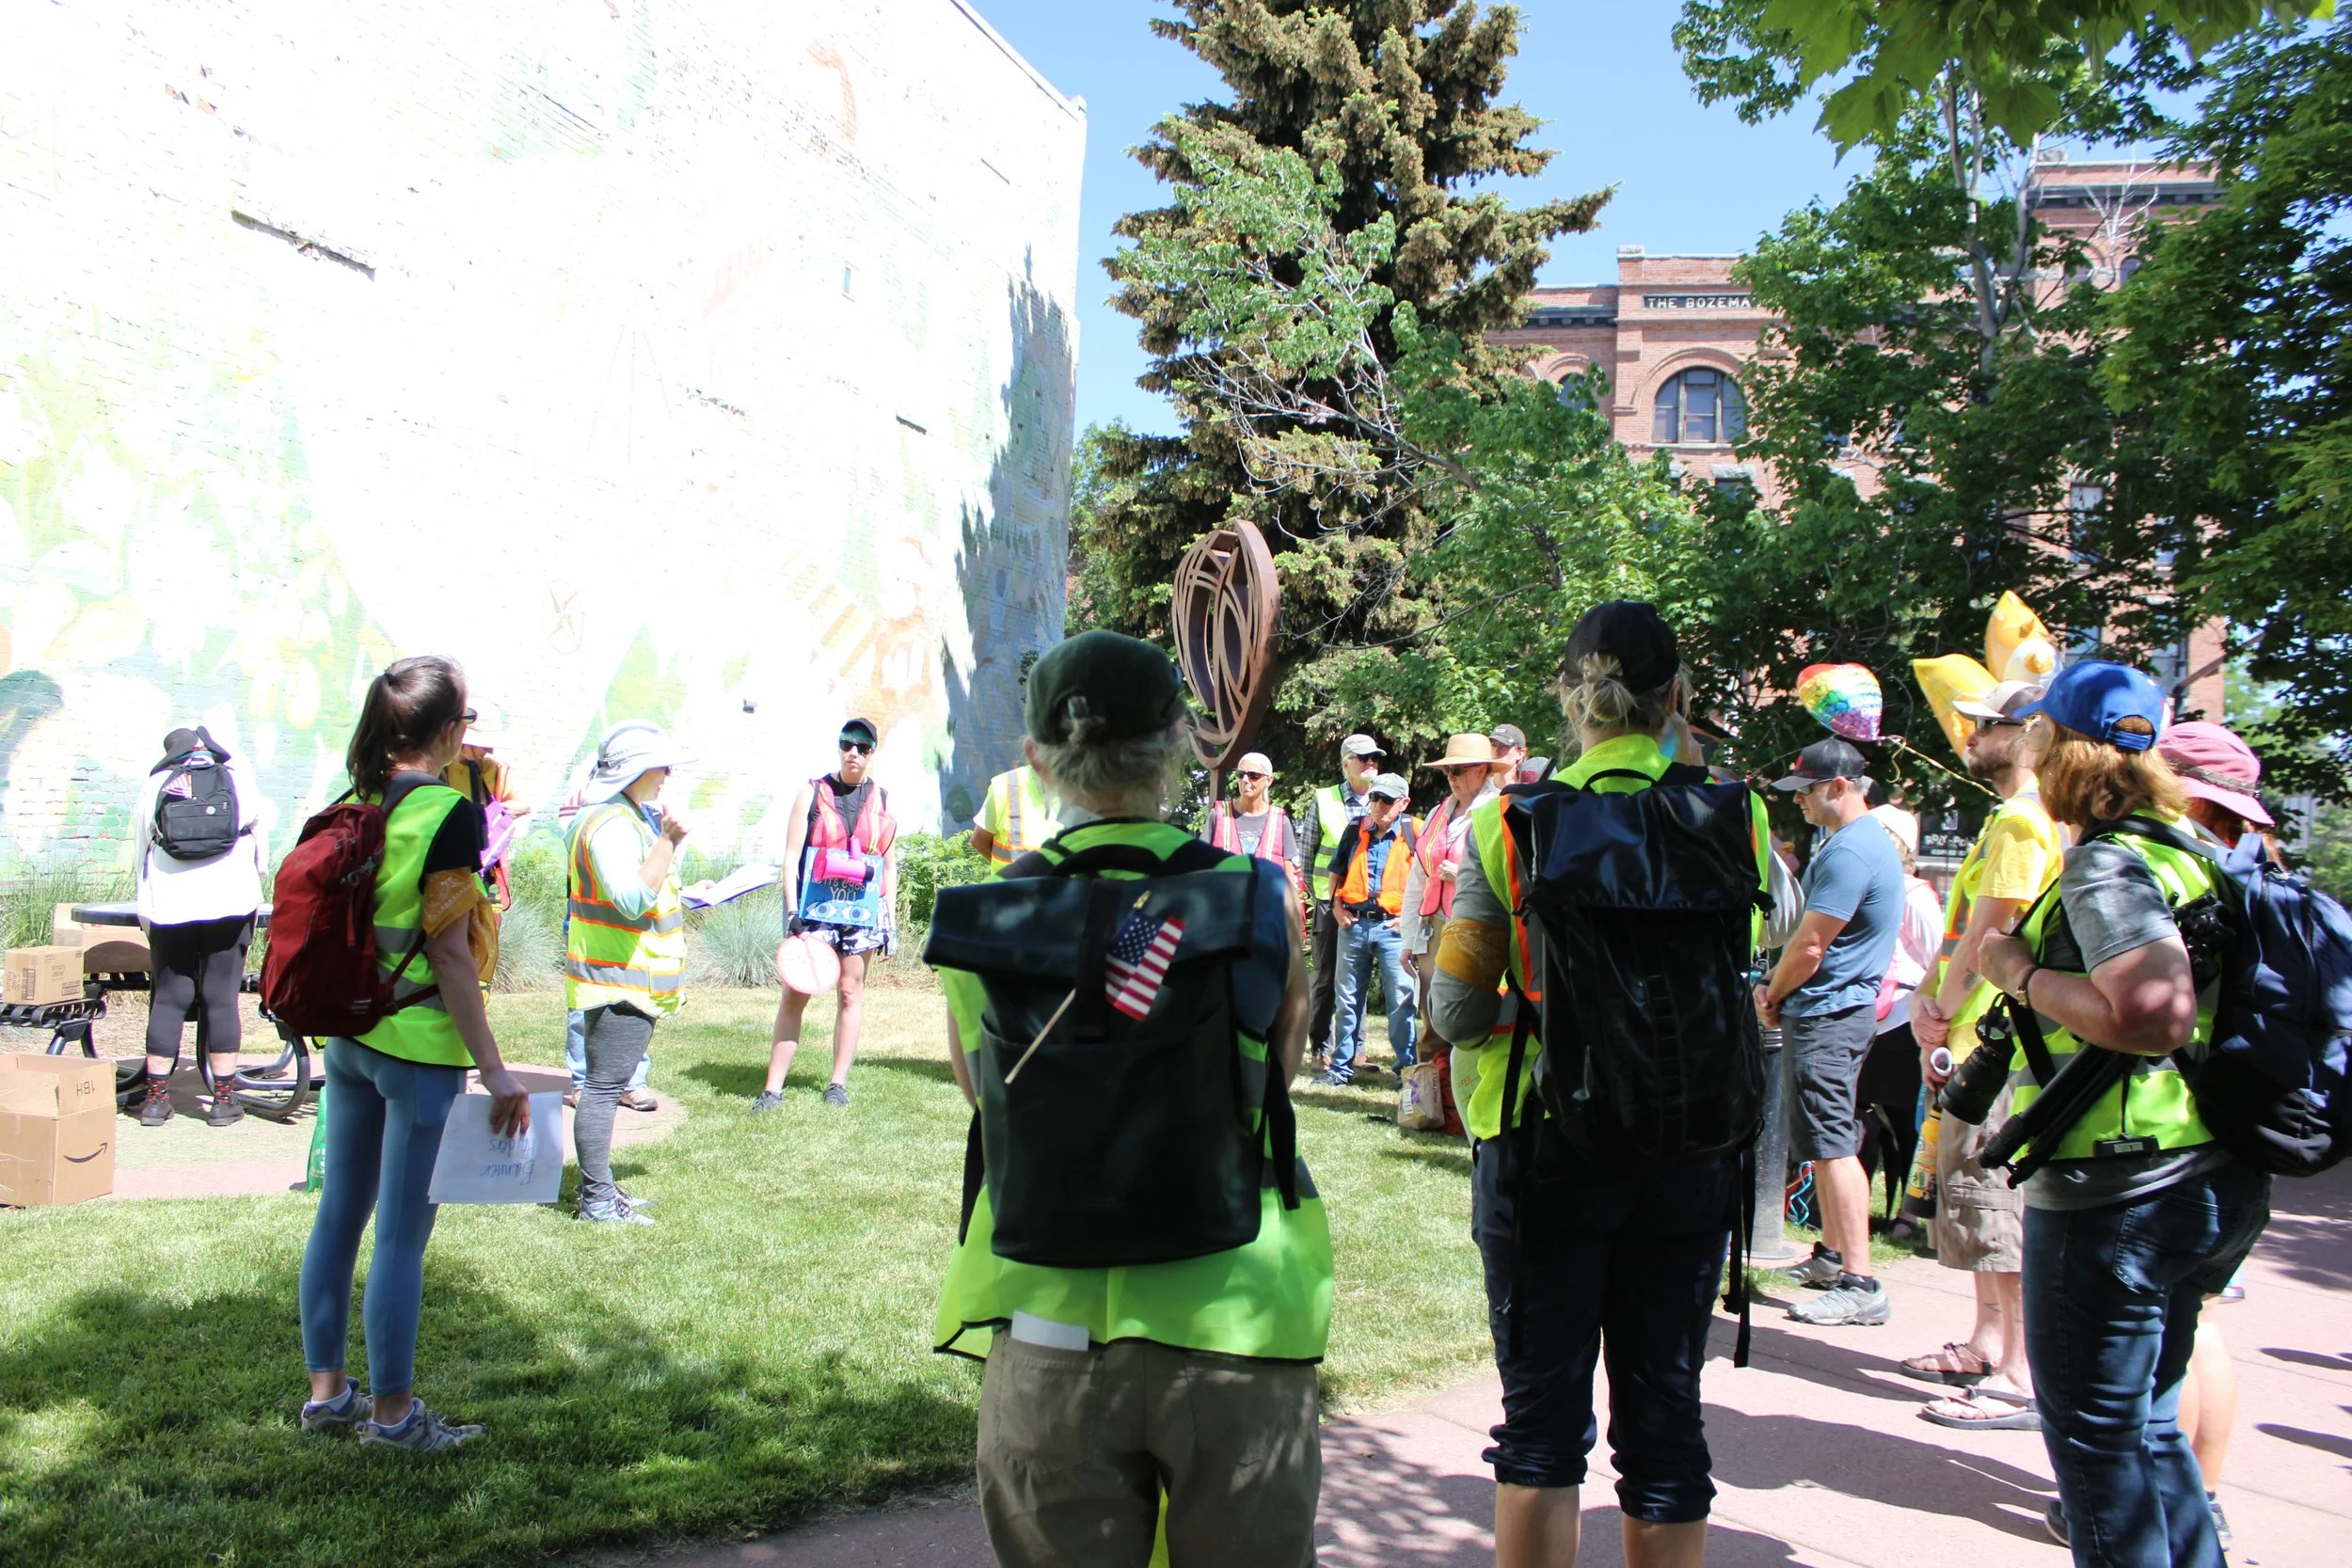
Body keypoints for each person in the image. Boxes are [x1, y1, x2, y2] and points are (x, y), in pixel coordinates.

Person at [930, 630, 1329, 1567]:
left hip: (1045, 1315)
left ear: (1036, 759)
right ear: (1182, 742)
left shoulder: (990, 920)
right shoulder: (1256, 897)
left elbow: (988, 1095)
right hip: (1236, 1311)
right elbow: (1280, 1071)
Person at [1429, 601, 1773, 1568]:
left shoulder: (1507, 820)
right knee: (1665, 1415)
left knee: (1540, 1425)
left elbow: (1455, 1012)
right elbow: (1760, 946)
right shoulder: (1736, 812)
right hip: (1689, 1141)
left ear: (1570, 698)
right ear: (1676, 697)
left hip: (1545, 1145)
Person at [1970, 662, 2269, 1563]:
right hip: (2209, 1169)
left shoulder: (2109, 862)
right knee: (2149, 1433)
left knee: (2100, 1453)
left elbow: (2151, 1014)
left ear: (2056, 747)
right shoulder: (2196, 852)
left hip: (2120, 1190)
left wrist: (2016, 971)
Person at [296, 656, 531, 1453]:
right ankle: (393, 1417)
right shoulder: (447, 813)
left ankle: (327, 1393)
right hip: (419, 1049)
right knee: (399, 1237)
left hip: (352, 1038)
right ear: (445, 732)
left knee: (338, 1215)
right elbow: (453, 954)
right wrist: (494, 1068)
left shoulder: (354, 798)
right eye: (465, 721)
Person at [1903, 679, 2062, 1430]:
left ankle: (2020, 1372)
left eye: (1988, 722)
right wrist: (1928, 998)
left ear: (2032, 731)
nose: (1969, 731)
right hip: (1971, 1038)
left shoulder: (2025, 823)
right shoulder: (2009, 817)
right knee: (1972, 1206)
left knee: (1999, 1209)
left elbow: (1991, 931)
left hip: (1996, 1043)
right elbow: (1965, 925)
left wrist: (1937, 1003)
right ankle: (1986, 1341)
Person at [2154, 719, 2277, 1551]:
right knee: (2199, 1320)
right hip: (2248, 1141)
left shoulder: (2183, 872)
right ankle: (2206, 1496)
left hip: (2174, 1137)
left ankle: (2171, 1508)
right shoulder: (2265, 878)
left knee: (2155, 1351)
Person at [1757, 736, 1904, 1326]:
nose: (1801, 803)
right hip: (1831, 1011)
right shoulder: (1856, 844)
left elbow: (1813, 944)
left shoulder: (1850, 852)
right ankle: (1833, 1256)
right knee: (1823, 1140)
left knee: (1833, 1142)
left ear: (1840, 787)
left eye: (1809, 791)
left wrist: (1774, 991)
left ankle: (1861, 1283)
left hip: (1828, 1014)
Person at [564, 722, 689, 1226]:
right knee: (603, 1088)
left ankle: (604, 1192)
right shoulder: (612, 823)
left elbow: (644, 890)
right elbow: (632, 900)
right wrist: (669, 842)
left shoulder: (626, 817)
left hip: (621, 977)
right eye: (661, 765)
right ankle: (596, 1201)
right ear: (635, 770)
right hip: (619, 981)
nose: (668, 774)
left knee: (604, 1085)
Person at [755, 717, 898, 1111]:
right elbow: (790, 856)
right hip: (815, 911)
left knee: (851, 992)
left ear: (872, 752)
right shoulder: (812, 792)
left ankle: (837, 1084)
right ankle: (772, 1089)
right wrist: (790, 911)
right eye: (847, 744)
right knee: (796, 992)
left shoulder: (882, 799)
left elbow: (887, 863)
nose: (854, 752)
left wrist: (891, 921)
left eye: (863, 746)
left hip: (860, 914)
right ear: (839, 747)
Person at [130, 726, 265, 1129]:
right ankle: (222, 1102)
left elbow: (141, 850)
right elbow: (260, 847)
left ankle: (156, 1101)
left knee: (169, 997)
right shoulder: (239, 778)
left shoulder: (156, 783)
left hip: (170, 903)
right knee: (221, 996)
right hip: (232, 900)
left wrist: (147, 914)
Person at [1852, 804, 1942, 1220]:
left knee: (1907, 1119)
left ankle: (1909, 1213)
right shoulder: (1864, 883)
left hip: (1903, 1018)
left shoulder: (1916, 895)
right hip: (1864, 1015)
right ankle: (1851, 1204)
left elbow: (1937, 956)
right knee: (1858, 1112)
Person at [1321, 772, 1418, 1087]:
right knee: (1346, 1002)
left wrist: (1408, 919)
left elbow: (1428, 882)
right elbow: (1335, 874)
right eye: (1374, 798)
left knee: (1402, 1002)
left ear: (1403, 803)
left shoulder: (1415, 832)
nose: (1377, 805)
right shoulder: (1355, 830)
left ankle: (1407, 1073)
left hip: (1395, 929)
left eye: (1386, 800)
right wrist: (1336, 907)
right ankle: (1340, 1071)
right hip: (1354, 925)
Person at [1297, 734, 1384, 1072]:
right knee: (1327, 976)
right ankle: (1321, 1047)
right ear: (1346, 763)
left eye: (1375, 758)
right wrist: (1325, 896)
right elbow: (1307, 855)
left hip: (1365, 904)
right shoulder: (1325, 799)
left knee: (1357, 976)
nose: (1371, 763)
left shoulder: (1382, 800)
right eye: (1363, 758)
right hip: (1328, 903)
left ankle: (1356, 1051)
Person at [1200, 750, 1301, 895]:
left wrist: (1290, 912)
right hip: (1224, 908)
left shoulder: (1280, 822)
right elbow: (1202, 865)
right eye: (1241, 774)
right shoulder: (1218, 815)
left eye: (1254, 775)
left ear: (1269, 780)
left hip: (1266, 909)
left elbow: (1289, 875)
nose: (1245, 780)